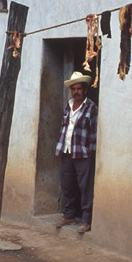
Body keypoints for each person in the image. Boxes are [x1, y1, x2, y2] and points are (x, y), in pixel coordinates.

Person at [55, 71, 98, 234]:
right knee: (67, 184)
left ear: (85, 90)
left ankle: (86, 219)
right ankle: (69, 215)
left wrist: (90, 150)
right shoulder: (68, 105)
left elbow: (94, 132)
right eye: (73, 89)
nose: (76, 92)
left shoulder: (91, 108)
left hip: (82, 153)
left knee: (85, 186)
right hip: (65, 151)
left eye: (79, 89)